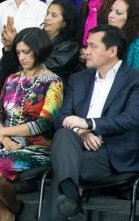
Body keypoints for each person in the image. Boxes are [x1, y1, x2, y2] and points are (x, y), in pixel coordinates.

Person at [43, 25, 139, 221]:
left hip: (112, 153)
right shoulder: (79, 79)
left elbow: (131, 118)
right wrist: (81, 131)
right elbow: (63, 118)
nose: (86, 51)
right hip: (76, 146)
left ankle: (70, 199)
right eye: (87, 46)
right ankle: (71, 199)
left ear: (112, 51)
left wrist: (89, 123)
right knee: (63, 135)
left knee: (64, 170)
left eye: (93, 46)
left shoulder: (134, 79)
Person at [0, 28, 64, 221]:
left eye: (27, 52)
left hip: (37, 147)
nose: (22, 57)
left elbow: (44, 123)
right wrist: (3, 137)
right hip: (7, 144)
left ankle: (15, 208)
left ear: (39, 50)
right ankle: (5, 214)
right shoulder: (12, 79)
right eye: (19, 52)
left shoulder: (53, 82)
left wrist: (3, 132)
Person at [107, 0, 139, 69]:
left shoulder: (136, 46)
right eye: (111, 10)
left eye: (118, 13)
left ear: (130, 18)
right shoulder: (108, 35)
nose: (110, 15)